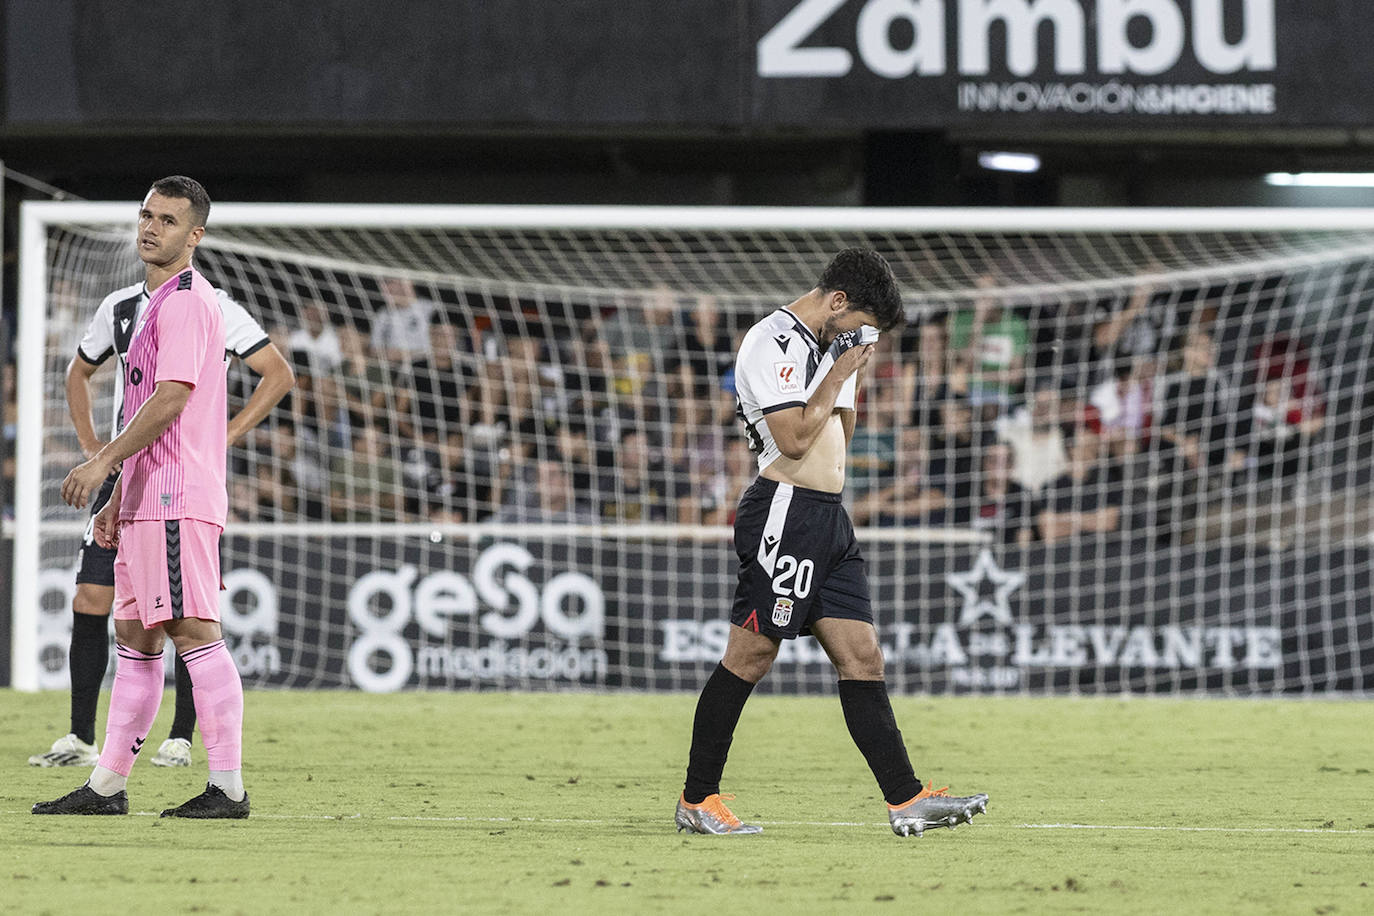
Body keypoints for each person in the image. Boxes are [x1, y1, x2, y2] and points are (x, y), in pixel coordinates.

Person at [674, 248, 988, 838]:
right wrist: (841, 371)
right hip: (786, 511)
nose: (864, 338)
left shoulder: (828, 349)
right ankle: (698, 797)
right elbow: (792, 440)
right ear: (837, 300)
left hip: (829, 517)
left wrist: (851, 374)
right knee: (751, 654)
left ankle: (906, 798)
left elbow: (839, 435)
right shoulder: (772, 340)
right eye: (862, 325)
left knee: (863, 656)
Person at [30, 199, 293, 772]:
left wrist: (222, 437)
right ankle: (95, 762)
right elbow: (81, 373)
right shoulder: (126, 308)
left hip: (173, 481)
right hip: (130, 474)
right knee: (123, 620)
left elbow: (256, 379)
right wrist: (101, 460)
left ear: (196, 234)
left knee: (188, 627)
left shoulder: (205, 304)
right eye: (146, 215)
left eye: (167, 220)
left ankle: (201, 758)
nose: (150, 227)